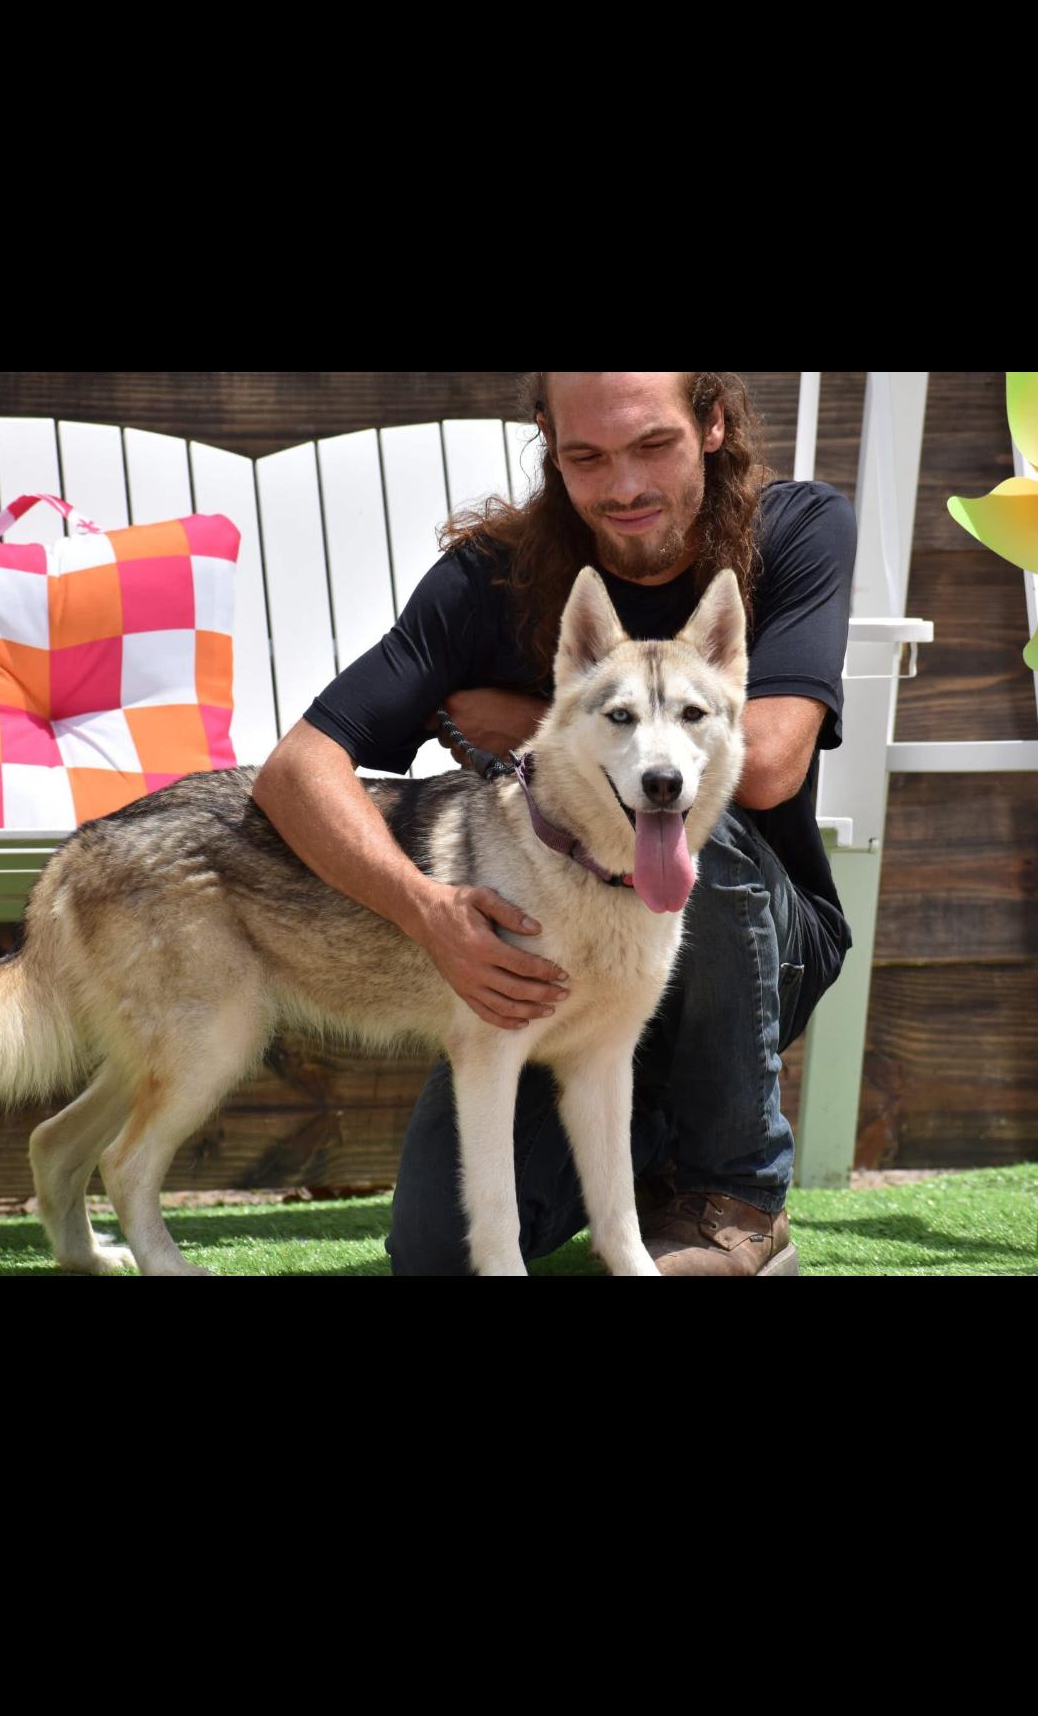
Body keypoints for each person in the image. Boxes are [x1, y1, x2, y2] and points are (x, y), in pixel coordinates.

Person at [251, 372, 858, 1279]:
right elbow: (295, 773)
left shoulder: (798, 531)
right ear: (549, 446)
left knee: (685, 811)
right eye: (587, 457)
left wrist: (544, 727)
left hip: (761, 944)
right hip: (553, 957)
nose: (623, 486)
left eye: (653, 444)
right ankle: (648, 1153)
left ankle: (735, 1198)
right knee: (436, 1255)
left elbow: (767, 764)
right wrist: (429, 913)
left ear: (714, 423)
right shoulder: (485, 578)